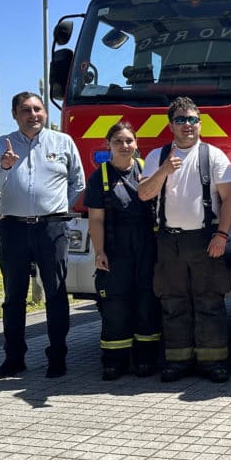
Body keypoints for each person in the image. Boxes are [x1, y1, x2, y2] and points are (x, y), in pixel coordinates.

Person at [0, 91, 85, 379]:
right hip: (14, 228)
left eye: (38, 109)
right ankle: (14, 358)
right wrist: (4, 166)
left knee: (56, 293)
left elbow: (78, 182)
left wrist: (58, 207)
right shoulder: (1, 144)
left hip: (51, 228)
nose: (33, 115)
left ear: (45, 113)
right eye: (26, 110)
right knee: (13, 297)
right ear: (15, 114)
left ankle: (57, 357)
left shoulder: (62, 142)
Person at [139, 97, 231, 383]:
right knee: (173, 303)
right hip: (169, 242)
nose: (188, 125)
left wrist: (222, 235)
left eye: (193, 119)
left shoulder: (214, 156)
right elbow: (144, 193)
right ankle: (178, 362)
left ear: (200, 123)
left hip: (206, 240)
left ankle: (214, 362)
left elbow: (229, 199)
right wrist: (164, 171)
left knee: (210, 302)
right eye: (181, 120)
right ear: (170, 125)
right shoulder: (158, 157)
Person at [84, 122, 161, 381]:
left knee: (146, 303)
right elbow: (95, 219)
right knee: (115, 305)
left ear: (136, 144)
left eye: (129, 141)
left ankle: (145, 359)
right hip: (116, 249)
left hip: (146, 246)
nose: (124, 146)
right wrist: (99, 251)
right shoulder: (100, 176)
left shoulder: (145, 171)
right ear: (109, 145)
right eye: (118, 141)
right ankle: (114, 362)